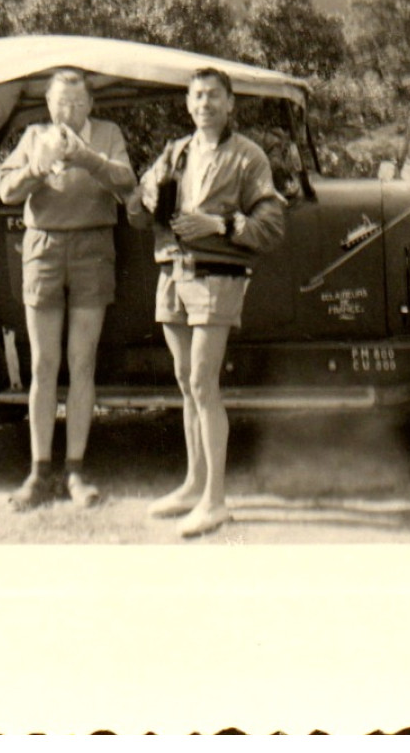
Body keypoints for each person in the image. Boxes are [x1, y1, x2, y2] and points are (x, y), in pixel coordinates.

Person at [128, 68, 286, 537]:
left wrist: (220, 225)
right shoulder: (175, 152)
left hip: (218, 276)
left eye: (213, 96)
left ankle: (216, 501)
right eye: (196, 96)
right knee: (184, 381)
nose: (204, 104)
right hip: (174, 274)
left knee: (202, 381)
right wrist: (147, 194)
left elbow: (272, 226)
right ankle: (194, 485)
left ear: (230, 103)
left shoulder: (247, 157)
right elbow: (138, 213)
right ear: (188, 103)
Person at [0, 69, 136, 510]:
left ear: (90, 105)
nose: (69, 112)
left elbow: (127, 182)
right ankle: (38, 473)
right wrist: (38, 165)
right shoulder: (34, 134)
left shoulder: (108, 133)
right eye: (61, 103)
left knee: (82, 362)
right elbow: (6, 190)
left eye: (77, 104)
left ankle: (75, 470)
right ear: (49, 105)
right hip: (43, 247)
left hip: (94, 246)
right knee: (43, 363)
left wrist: (87, 157)